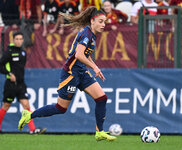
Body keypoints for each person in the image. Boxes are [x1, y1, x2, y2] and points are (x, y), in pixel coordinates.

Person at [18, 6, 117, 141]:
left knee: (101, 98)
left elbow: (85, 55)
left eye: (104, 22)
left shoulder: (91, 35)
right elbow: (79, 54)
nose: (103, 25)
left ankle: (100, 132)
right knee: (60, 108)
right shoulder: (86, 33)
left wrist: (94, 66)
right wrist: (95, 67)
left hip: (81, 72)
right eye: (100, 21)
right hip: (71, 73)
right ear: (92, 21)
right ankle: (28, 115)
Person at [0, 31, 46, 134]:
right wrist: (9, 73)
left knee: (26, 105)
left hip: (21, 84)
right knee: (6, 106)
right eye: (17, 39)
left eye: (21, 39)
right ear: (13, 40)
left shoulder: (23, 52)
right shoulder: (9, 52)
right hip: (10, 85)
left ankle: (32, 130)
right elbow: (1, 66)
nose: (19, 41)